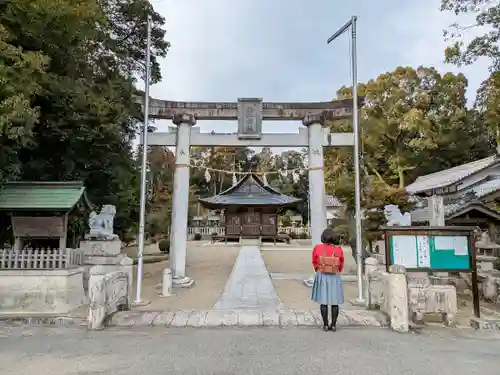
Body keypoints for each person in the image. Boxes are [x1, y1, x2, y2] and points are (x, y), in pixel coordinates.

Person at [311, 228, 345, 332]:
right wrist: (337, 269)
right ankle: (333, 325)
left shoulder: (317, 248)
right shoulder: (338, 249)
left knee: (323, 301)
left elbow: (314, 261)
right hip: (334, 275)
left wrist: (318, 268)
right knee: (335, 302)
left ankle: (325, 324)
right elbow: (341, 263)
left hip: (322, 274)